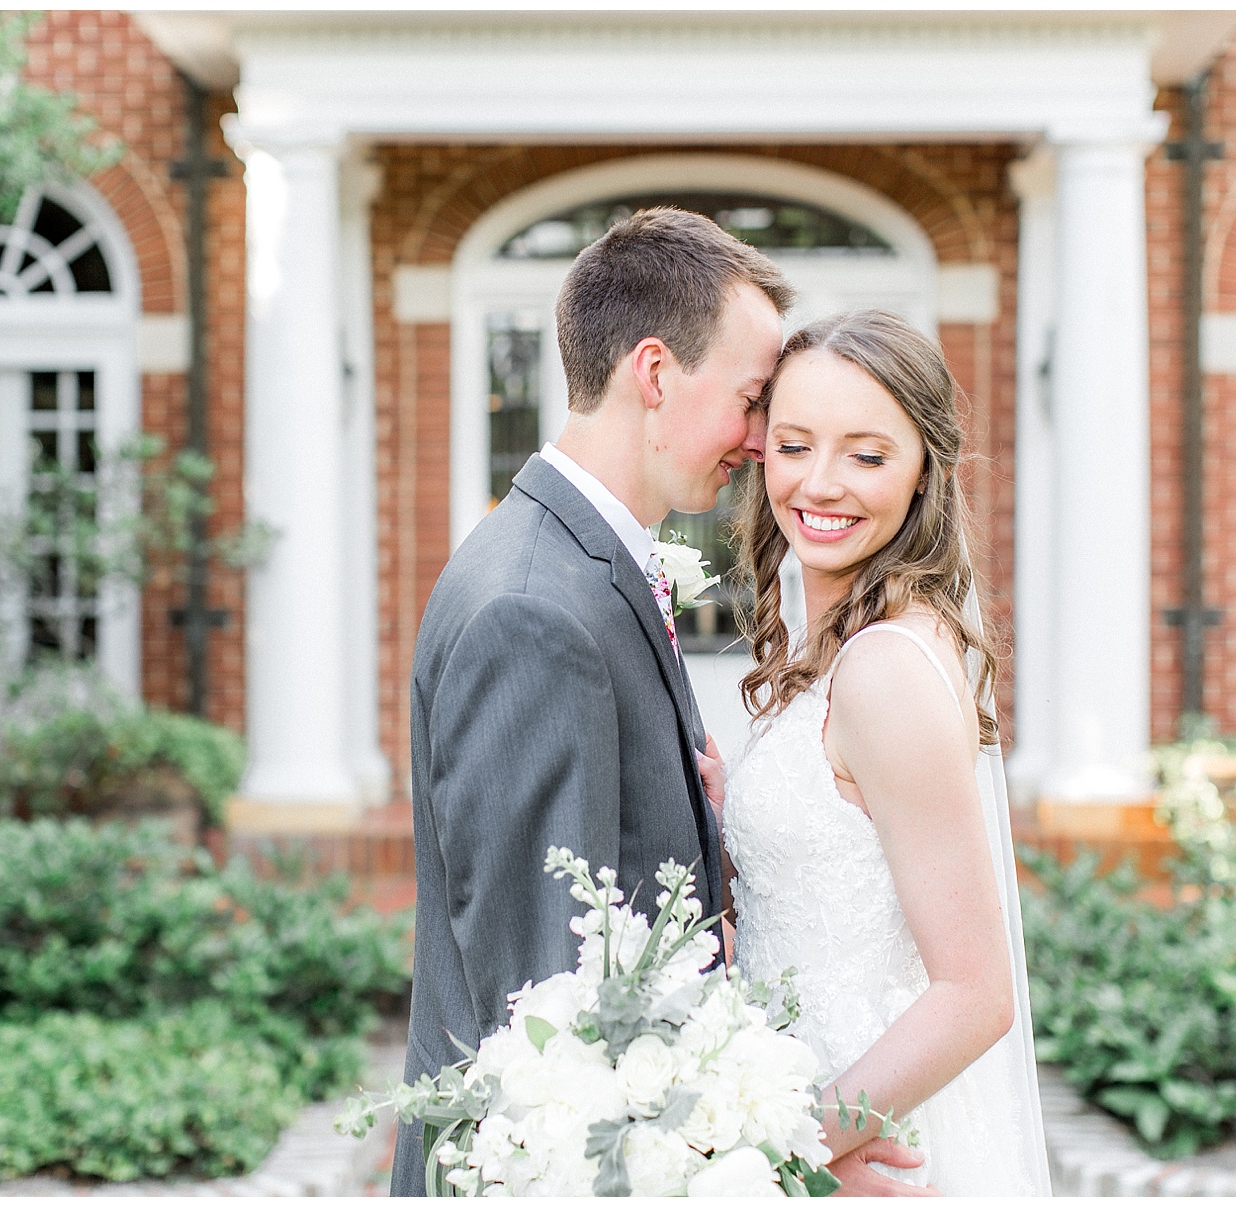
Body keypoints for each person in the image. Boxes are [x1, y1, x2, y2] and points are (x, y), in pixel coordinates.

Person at [397, 211, 927, 1196]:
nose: (765, 441)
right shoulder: (531, 611)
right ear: (654, 373)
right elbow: (547, 1018)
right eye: (752, 399)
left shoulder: (590, 569)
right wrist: (775, 1157)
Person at [723, 310, 1052, 1195]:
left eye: (867, 456)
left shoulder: (884, 669)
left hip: (856, 1132)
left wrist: (791, 1152)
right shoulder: (837, 644)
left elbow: (976, 994)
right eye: (794, 446)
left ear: (922, 476)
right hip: (803, 1086)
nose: (820, 484)